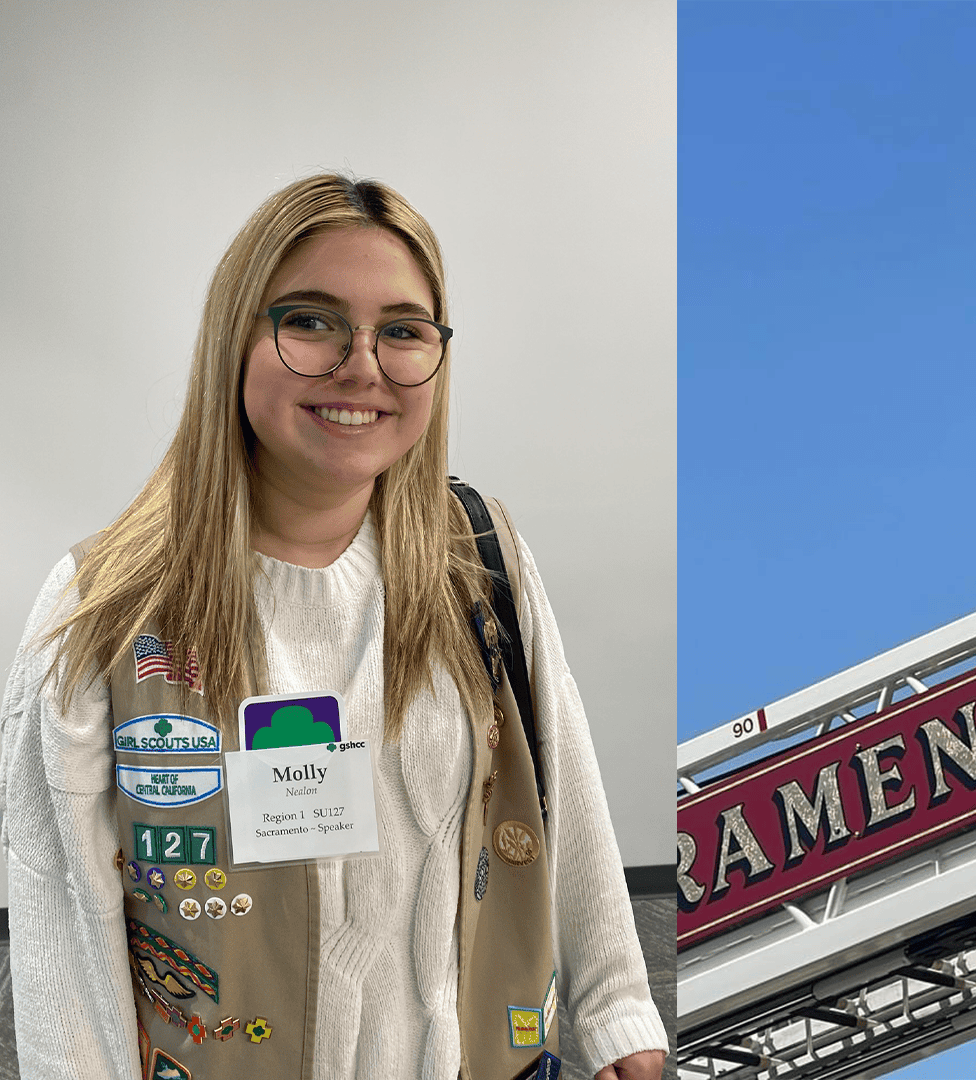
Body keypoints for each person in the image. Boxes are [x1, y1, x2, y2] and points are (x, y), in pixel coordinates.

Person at [0, 175, 667, 1080]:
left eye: (402, 330)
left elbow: (565, 792)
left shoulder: (478, 553)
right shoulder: (104, 607)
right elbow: (61, 918)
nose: (362, 366)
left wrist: (618, 1011)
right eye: (310, 321)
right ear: (237, 339)